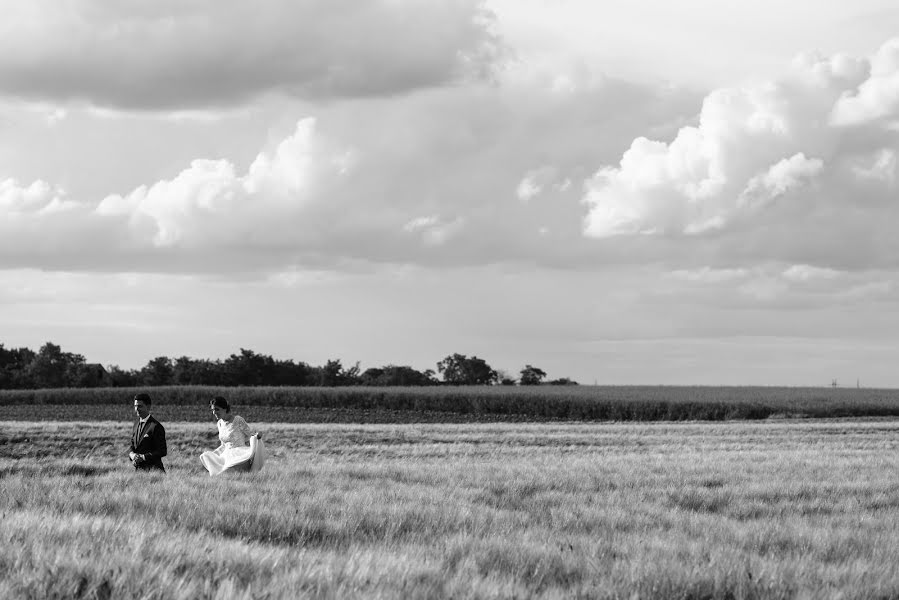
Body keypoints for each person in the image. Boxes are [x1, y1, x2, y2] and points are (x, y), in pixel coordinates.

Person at [200, 396, 263, 476]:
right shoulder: (219, 423)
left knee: (225, 473)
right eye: (213, 410)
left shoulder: (238, 420)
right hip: (226, 456)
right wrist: (213, 454)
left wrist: (257, 436)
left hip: (240, 456)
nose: (214, 412)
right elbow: (224, 445)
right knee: (206, 458)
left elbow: (251, 435)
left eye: (217, 409)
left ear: (225, 409)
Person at [129, 392, 167, 472]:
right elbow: (132, 446)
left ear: (148, 407)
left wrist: (143, 457)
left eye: (140, 406)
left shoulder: (156, 426)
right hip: (139, 473)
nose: (137, 409)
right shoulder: (135, 424)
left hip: (155, 473)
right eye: (135, 406)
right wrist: (132, 455)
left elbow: (162, 451)